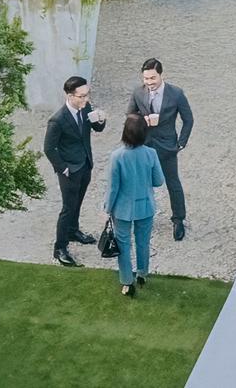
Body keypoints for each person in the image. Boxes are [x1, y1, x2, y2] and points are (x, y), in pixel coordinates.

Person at [43, 75, 106, 265]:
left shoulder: (85, 107)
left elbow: (96, 128)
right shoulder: (58, 120)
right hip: (70, 169)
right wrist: (63, 169)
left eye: (87, 95)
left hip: (85, 164)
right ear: (70, 96)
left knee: (78, 202)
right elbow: (48, 148)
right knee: (68, 208)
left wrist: (101, 121)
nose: (86, 99)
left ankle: (73, 231)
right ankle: (60, 247)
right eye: (82, 96)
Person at [131, 57, 196, 241]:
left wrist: (181, 143)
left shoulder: (176, 93)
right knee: (142, 183)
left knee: (173, 183)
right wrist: (143, 121)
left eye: (152, 78)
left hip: (167, 146)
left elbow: (188, 120)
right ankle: (142, 217)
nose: (149, 82)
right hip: (144, 145)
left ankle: (178, 219)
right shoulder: (138, 93)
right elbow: (129, 115)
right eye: (146, 78)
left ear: (160, 75)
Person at [104, 113, 166, 297]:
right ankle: (142, 274)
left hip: (122, 209)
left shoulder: (117, 156)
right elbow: (158, 181)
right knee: (143, 243)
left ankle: (126, 281)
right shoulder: (151, 153)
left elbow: (113, 188)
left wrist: (107, 208)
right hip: (145, 206)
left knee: (123, 245)